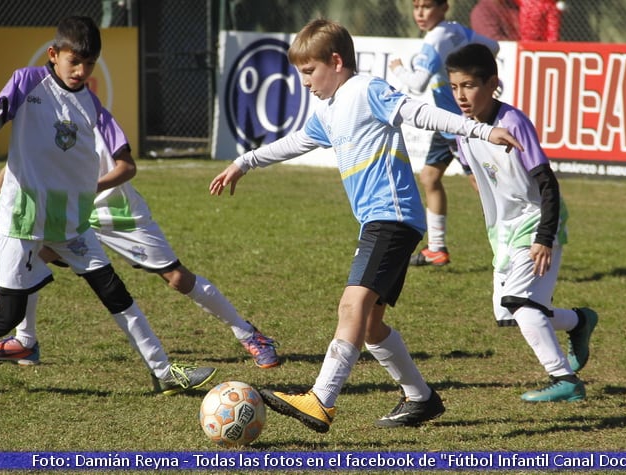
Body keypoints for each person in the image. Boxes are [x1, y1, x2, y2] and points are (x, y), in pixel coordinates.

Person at [209, 19, 523, 431]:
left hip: (390, 217)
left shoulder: (366, 90)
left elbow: (420, 112)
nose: (305, 82)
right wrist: (245, 161)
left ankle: (321, 399)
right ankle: (420, 398)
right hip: (383, 221)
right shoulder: (331, 108)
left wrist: (481, 129)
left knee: (351, 306)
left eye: (309, 72)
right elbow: (297, 141)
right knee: (371, 325)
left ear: (336, 61)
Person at [0, 16, 217, 396]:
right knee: (10, 312)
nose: (81, 71)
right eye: (74, 62)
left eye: (89, 64)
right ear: (53, 55)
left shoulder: (91, 103)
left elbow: (123, 154)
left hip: (71, 221)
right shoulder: (27, 82)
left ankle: (163, 371)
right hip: (22, 217)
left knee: (116, 293)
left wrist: (114, 155)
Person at [0, 163, 280, 370]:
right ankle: (26, 341)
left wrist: (89, 187)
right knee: (31, 262)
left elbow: (126, 167)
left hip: (119, 214)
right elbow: (15, 166)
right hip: (71, 215)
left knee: (177, 278)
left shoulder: (99, 121)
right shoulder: (40, 118)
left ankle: (249, 334)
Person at [445, 43, 598, 402]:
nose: (461, 96)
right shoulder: (462, 130)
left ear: (492, 83)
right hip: (506, 229)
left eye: (468, 85)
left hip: (538, 220)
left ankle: (566, 380)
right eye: (454, 87)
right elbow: (477, 175)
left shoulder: (513, 122)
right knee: (508, 312)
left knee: (519, 302)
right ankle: (579, 321)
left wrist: (544, 237)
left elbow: (547, 182)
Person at [389, 0, 499, 267]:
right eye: (416, 7)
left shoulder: (436, 39)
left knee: (482, 185)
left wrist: (398, 68)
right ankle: (436, 249)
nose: (420, 13)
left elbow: (417, 83)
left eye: (427, 6)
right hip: (446, 122)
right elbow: (493, 47)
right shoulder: (456, 30)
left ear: (443, 7)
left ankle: (510, 238)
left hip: (457, 126)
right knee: (429, 177)